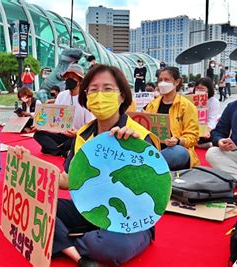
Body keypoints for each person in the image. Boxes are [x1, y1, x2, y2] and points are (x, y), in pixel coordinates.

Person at [17, 64, 160, 266]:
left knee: (112, 248)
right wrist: (31, 167)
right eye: (93, 89)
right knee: (35, 205)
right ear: (86, 96)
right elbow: (69, 179)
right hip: (90, 208)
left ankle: (60, 240)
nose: (100, 95)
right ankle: (77, 254)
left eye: (108, 89)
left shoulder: (139, 136)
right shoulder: (84, 134)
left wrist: (134, 153)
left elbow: (152, 193)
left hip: (129, 217)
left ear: (121, 96)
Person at [144, 67, 200, 170]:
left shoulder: (187, 106)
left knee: (178, 152)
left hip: (175, 149)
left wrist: (178, 141)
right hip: (155, 148)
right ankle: (153, 165)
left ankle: (149, 165)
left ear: (177, 82)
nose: (162, 83)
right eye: (160, 80)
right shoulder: (152, 105)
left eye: (166, 80)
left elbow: (193, 137)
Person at [33, 64, 94, 157]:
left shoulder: (86, 98)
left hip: (77, 135)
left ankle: (52, 149)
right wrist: (42, 126)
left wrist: (76, 133)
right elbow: (54, 119)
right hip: (62, 134)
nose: (69, 80)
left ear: (80, 81)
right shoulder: (61, 95)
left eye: (73, 77)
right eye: (67, 77)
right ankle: (62, 152)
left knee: (76, 141)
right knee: (38, 135)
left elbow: (90, 129)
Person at [193, 77, 221, 147]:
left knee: (214, 135)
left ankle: (198, 144)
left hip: (206, 128)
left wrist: (207, 130)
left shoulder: (214, 101)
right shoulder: (192, 99)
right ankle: (198, 144)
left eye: (202, 89)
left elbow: (212, 119)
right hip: (193, 128)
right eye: (197, 88)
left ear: (208, 89)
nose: (199, 91)